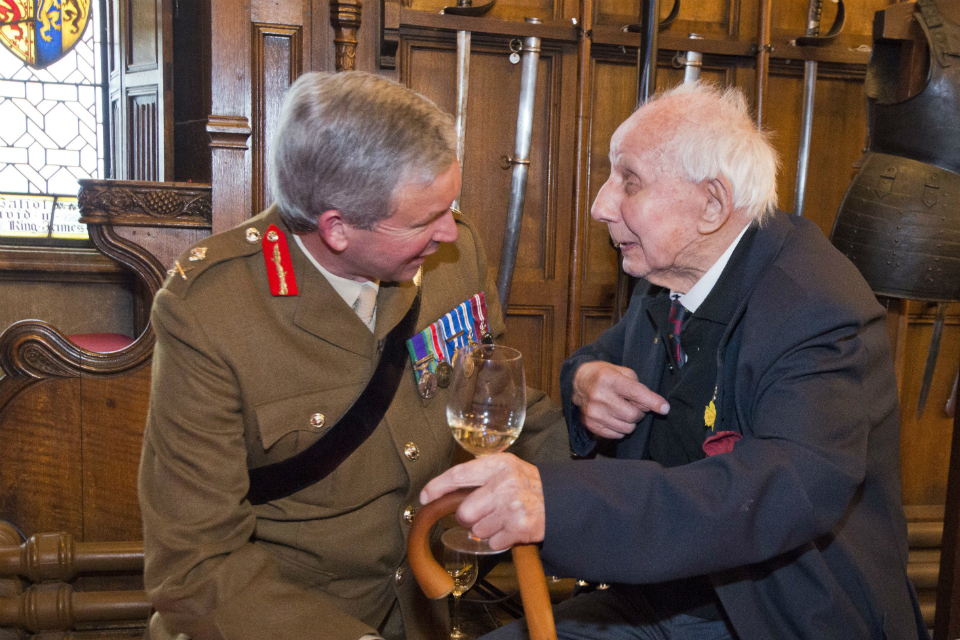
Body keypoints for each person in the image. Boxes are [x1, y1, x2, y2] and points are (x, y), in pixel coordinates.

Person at [421, 82, 930, 640]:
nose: (599, 205)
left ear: (712, 204)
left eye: (629, 181)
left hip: (777, 613)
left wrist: (558, 504)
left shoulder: (817, 308)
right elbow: (607, 353)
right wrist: (585, 379)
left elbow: (779, 489)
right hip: (663, 593)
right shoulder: (674, 273)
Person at [138, 71, 569, 640]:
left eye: (450, 207)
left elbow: (491, 404)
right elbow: (196, 566)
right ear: (337, 229)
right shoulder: (212, 311)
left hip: (429, 612)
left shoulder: (451, 261)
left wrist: (618, 481)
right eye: (423, 221)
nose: (451, 233)